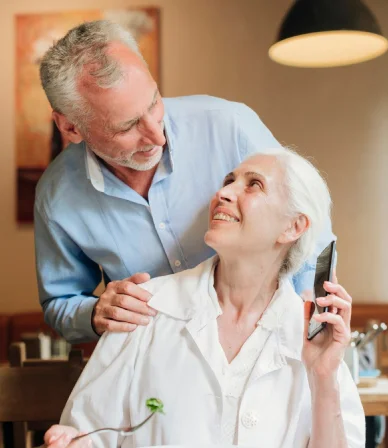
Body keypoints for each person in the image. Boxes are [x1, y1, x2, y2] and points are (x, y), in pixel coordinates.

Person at [34, 149, 371, 448]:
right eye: (228, 181)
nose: (222, 193)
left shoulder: (312, 336)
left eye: (253, 185)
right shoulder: (144, 306)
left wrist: (323, 376)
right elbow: (84, 447)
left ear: (293, 226)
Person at [35, 20, 334, 344]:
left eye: (153, 103)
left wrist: (312, 318)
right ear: (70, 127)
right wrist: (94, 313)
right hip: (158, 363)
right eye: (127, 127)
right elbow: (60, 302)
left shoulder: (229, 125)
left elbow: (309, 226)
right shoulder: (57, 197)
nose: (155, 135)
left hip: (270, 343)